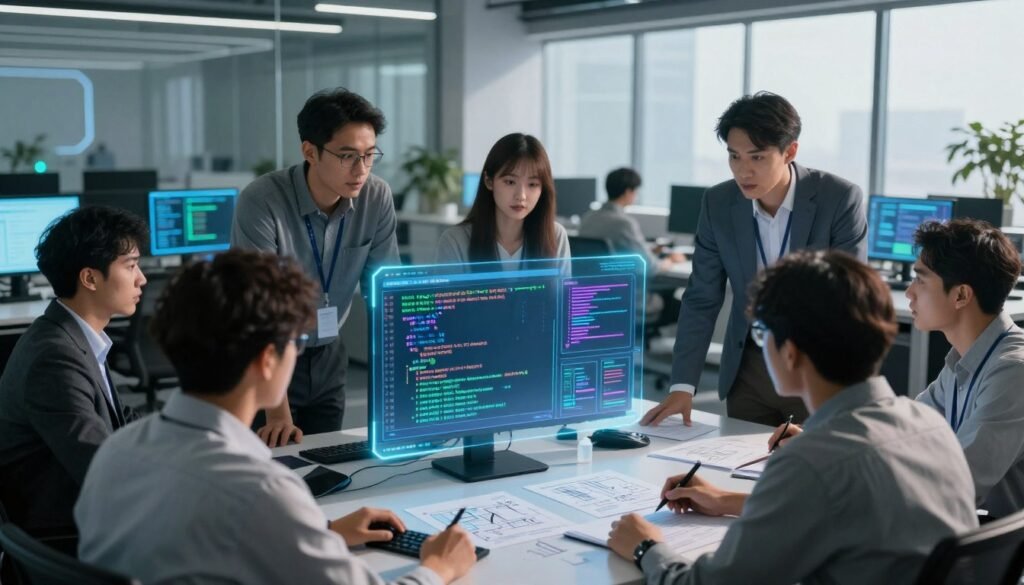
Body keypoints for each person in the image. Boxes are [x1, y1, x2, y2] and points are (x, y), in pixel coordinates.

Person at [75, 250, 476, 585]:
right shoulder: (261, 491)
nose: (297, 353)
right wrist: (437, 568)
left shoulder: (117, 451)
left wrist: (322, 534)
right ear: (267, 360)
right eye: (296, 341)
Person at [609, 250, 977, 585]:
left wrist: (646, 548)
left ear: (791, 353)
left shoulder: (811, 462)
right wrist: (726, 501)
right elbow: (845, 512)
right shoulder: (928, 424)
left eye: (761, 332)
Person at [641, 91, 867, 428]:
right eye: (734, 157)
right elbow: (702, 297)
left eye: (757, 158)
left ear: (790, 151)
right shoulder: (718, 203)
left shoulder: (838, 198)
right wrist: (682, 386)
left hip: (815, 368)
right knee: (742, 470)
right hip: (748, 369)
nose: (743, 171)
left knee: (810, 473)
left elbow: (848, 297)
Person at [232, 88, 400, 446]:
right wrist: (278, 411)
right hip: (266, 357)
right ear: (310, 151)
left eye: (370, 156)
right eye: (347, 156)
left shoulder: (376, 196)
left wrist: (400, 388)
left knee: (326, 465)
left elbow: (387, 295)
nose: (361, 170)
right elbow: (263, 310)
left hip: (328, 356)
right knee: (271, 468)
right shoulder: (262, 201)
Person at [0, 205, 146, 535]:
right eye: (132, 266)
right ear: (90, 278)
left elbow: (119, 419)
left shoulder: (72, 336)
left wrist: (193, 438)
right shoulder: (54, 358)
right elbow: (102, 468)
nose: (142, 278)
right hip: (68, 535)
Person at [435, 133, 569, 266]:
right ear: (489, 181)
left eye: (532, 184)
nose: (521, 196)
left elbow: (562, 288)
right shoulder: (455, 241)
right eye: (510, 182)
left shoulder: (555, 236)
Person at [579, 167, 683, 272]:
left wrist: (650, 251)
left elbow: (612, 253)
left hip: (593, 282)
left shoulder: (588, 217)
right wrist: (669, 260)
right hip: (623, 283)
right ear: (628, 192)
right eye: (636, 191)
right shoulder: (624, 224)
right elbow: (649, 266)